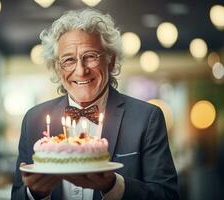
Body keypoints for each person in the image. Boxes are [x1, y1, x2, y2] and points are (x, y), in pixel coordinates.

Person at [11, 8, 179, 200]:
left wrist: (113, 185)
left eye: (90, 56)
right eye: (68, 60)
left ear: (111, 60)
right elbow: (17, 195)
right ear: (58, 69)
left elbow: (168, 196)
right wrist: (35, 194)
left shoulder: (147, 118)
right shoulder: (33, 120)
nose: (81, 71)